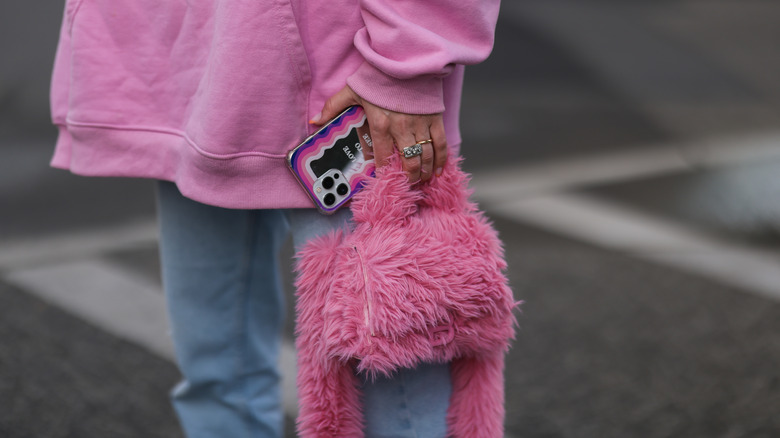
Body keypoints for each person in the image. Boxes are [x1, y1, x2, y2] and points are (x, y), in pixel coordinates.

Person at [50, 0, 501, 436]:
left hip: (339, 77)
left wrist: (408, 61)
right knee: (216, 373)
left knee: (394, 366)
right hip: (171, 61)